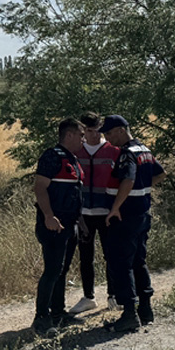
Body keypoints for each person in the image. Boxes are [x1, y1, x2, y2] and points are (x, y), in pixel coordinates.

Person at [102, 115, 166, 332]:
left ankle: (129, 313)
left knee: (121, 262)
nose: (108, 139)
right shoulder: (144, 150)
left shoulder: (127, 153)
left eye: (109, 133)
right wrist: (143, 189)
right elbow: (160, 174)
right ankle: (145, 310)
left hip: (126, 215)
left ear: (121, 130)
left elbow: (128, 180)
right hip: (142, 214)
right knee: (139, 260)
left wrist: (115, 207)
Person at [32, 117, 85, 335]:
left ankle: (58, 312)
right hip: (54, 225)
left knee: (62, 271)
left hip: (71, 224)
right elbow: (39, 187)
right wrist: (48, 216)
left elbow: (75, 193)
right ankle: (41, 318)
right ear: (69, 135)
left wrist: (80, 221)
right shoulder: (52, 156)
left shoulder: (73, 159)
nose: (84, 139)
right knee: (52, 271)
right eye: (81, 135)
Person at [70, 112, 121, 314]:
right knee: (85, 256)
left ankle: (113, 295)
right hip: (83, 214)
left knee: (111, 255)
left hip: (107, 212)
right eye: (87, 131)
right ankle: (88, 297)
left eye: (95, 130)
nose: (92, 135)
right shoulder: (77, 152)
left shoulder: (113, 151)